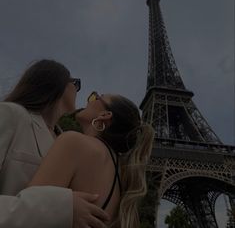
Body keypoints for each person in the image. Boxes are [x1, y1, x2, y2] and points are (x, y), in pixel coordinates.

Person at [0, 60, 109, 228]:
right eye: (76, 84)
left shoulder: (66, 142)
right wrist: (62, 209)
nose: (78, 91)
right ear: (58, 84)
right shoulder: (9, 114)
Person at [28, 91, 155, 227]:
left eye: (95, 97)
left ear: (105, 115)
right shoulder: (120, 172)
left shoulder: (74, 142)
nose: (88, 101)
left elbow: (27, 210)